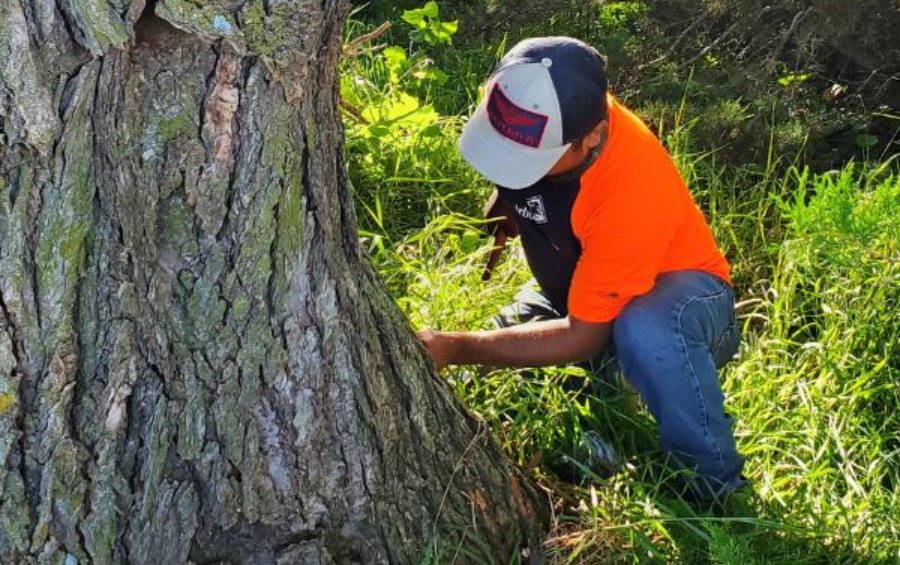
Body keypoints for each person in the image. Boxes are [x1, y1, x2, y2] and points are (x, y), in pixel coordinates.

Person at [416, 36, 745, 502]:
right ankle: (598, 411)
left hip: (684, 302)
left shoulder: (629, 190)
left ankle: (712, 488)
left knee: (645, 332)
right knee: (484, 370)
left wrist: (459, 347)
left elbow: (583, 334)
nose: (514, 170)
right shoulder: (518, 96)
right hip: (580, 291)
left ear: (590, 137)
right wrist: (506, 202)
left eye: (529, 162)